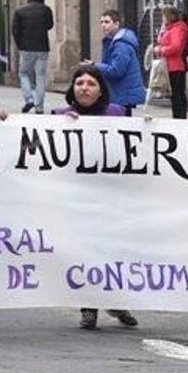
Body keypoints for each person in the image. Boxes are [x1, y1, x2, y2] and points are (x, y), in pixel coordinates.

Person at [51, 65, 138, 330]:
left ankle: (117, 300)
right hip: (75, 198)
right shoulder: (57, 117)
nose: (84, 88)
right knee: (84, 251)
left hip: (111, 196)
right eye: (79, 83)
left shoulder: (118, 114)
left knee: (113, 250)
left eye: (90, 83)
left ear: (101, 90)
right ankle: (88, 307)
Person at [91, 10, 145, 114]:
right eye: (101, 22)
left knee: (122, 126)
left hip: (122, 94)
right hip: (120, 93)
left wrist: (95, 66)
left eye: (107, 22)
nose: (103, 25)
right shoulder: (112, 41)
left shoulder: (121, 45)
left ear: (116, 24)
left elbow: (116, 71)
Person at [11, 0, 53, 113]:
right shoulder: (46, 10)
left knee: (24, 74)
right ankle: (39, 106)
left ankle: (29, 99)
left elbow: (15, 31)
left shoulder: (19, 11)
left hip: (26, 48)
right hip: (42, 47)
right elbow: (50, 25)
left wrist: (20, 45)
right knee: (40, 76)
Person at [154, 6, 188, 119]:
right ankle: (177, 116)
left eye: (164, 16)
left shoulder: (179, 29)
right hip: (169, 66)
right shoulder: (170, 29)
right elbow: (161, 40)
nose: (162, 19)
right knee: (174, 95)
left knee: (177, 95)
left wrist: (161, 50)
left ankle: (180, 117)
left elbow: (176, 47)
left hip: (175, 66)